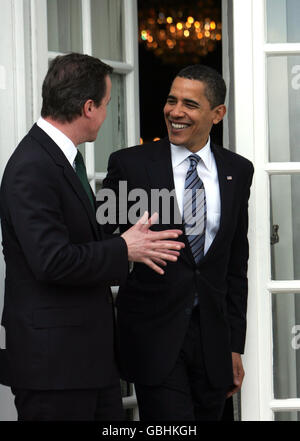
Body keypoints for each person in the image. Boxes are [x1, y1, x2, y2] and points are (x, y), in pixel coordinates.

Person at [0, 52, 185, 421]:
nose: (106, 114)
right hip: (55, 370)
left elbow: (83, 236)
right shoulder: (32, 167)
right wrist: (124, 248)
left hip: (87, 363)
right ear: (88, 108)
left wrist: (131, 234)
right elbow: (52, 261)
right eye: (106, 105)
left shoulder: (60, 158)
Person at [102, 64, 254, 421]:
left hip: (214, 344)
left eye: (190, 104)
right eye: (171, 101)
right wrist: (128, 247)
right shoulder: (132, 166)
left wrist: (234, 346)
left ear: (218, 114)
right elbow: (101, 239)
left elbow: (235, 264)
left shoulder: (238, 171)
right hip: (155, 339)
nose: (175, 112)